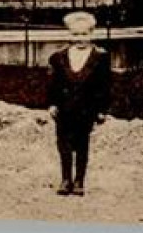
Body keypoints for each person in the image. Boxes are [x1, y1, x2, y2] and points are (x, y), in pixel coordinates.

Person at [46, 10, 111, 196]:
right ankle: (65, 179)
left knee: (82, 144)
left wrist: (102, 110)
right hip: (64, 108)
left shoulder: (100, 58)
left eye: (84, 34)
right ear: (68, 34)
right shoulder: (59, 57)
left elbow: (105, 86)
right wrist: (52, 104)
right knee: (63, 144)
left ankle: (79, 180)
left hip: (86, 109)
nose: (80, 39)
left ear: (92, 34)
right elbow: (53, 84)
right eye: (75, 34)